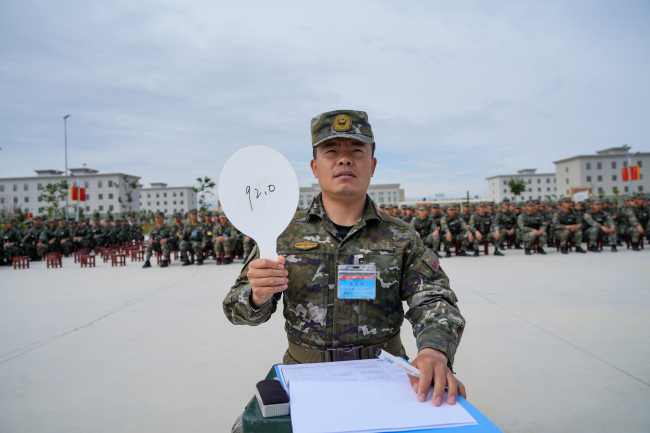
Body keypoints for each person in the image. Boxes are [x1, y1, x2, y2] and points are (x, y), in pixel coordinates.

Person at [224, 110, 465, 432]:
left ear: (372, 165)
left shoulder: (402, 236)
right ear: (315, 167)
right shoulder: (281, 233)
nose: (344, 160)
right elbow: (237, 311)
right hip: (305, 374)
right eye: (332, 151)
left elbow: (435, 299)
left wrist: (435, 351)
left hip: (385, 373)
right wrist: (256, 296)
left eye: (355, 151)